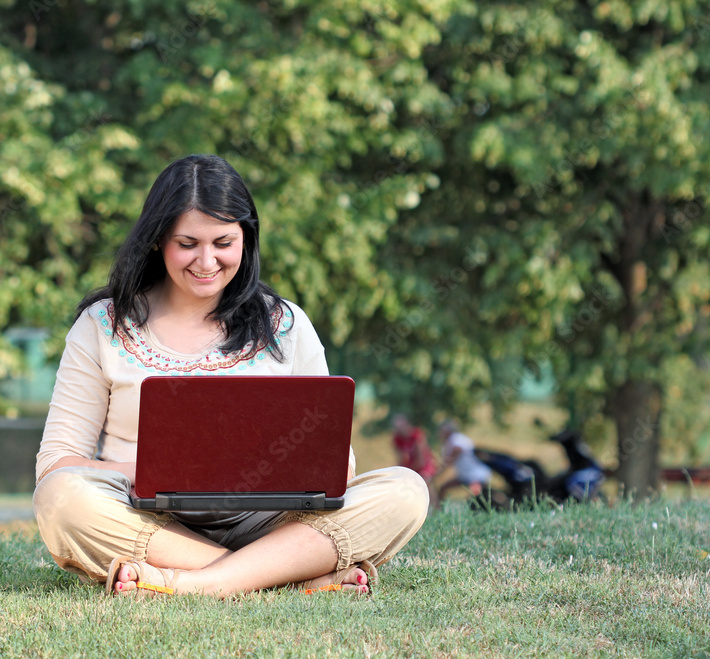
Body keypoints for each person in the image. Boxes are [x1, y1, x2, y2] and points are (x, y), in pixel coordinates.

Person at [33, 154, 429, 598]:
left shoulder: (287, 324)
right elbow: (58, 464)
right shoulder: (103, 324)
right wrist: (164, 473)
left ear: (247, 239)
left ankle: (190, 584)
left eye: (223, 242)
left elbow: (340, 464)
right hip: (147, 518)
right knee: (60, 499)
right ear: (158, 241)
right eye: (187, 243)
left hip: (270, 520)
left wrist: (264, 474)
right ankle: (283, 576)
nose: (206, 261)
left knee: (405, 491)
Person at [434, 420, 493, 506]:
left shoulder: (455, 438)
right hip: (465, 475)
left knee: (475, 495)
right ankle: (441, 508)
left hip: (476, 475)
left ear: (447, 431)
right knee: (443, 488)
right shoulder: (450, 442)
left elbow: (456, 451)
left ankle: (480, 511)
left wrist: (439, 471)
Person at [391, 413, 436, 482]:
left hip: (424, 465)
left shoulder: (417, 436)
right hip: (411, 467)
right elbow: (401, 459)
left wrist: (407, 470)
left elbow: (421, 461)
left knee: (422, 480)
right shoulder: (398, 439)